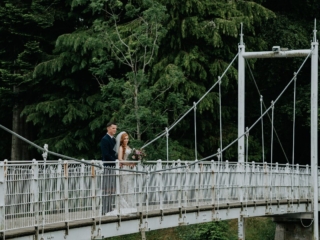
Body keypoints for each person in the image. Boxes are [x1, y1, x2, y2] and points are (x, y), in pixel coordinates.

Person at [106, 131, 137, 216]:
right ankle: (123, 206)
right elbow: (120, 159)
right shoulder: (120, 148)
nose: (126, 140)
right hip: (124, 169)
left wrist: (134, 161)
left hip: (130, 170)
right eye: (125, 139)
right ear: (122, 140)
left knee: (129, 187)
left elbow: (132, 157)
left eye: (127, 138)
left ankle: (130, 206)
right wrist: (129, 163)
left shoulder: (129, 147)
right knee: (124, 187)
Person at [100, 122, 117, 214]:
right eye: (113, 128)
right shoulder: (105, 139)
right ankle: (104, 208)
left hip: (113, 167)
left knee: (112, 188)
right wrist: (115, 161)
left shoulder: (114, 140)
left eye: (115, 128)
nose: (115, 130)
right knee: (106, 187)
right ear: (108, 128)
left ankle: (110, 206)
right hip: (108, 166)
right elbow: (105, 154)